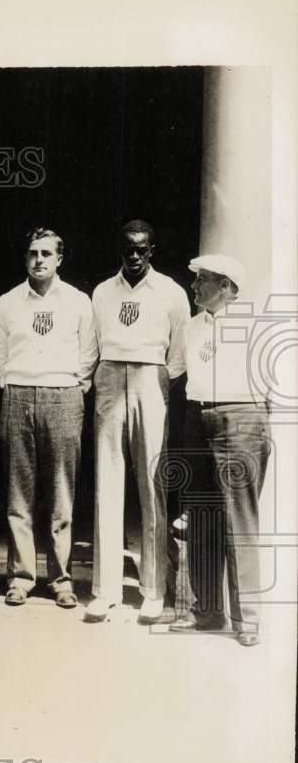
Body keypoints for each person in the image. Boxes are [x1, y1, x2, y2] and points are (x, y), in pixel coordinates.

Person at [85, 220, 191, 623]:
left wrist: (158, 381)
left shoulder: (171, 292)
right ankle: (107, 589)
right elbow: (92, 344)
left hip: (152, 375)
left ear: (152, 250)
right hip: (111, 374)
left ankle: (153, 589)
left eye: (141, 250)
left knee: (152, 483)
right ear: (120, 249)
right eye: (127, 249)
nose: (133, 256)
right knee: (107, 484)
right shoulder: (101, 292)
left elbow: (178, 354)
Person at [168, 254, 271, 647]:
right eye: (195, 280)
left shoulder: (254, 323)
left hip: (241, 420)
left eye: (204, 280)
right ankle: (207, 611)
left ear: (227, 286)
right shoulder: (191, 328)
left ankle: (248, 619)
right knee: (202, 516)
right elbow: (176, 372)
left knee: (238, 522)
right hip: (199, 418)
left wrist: (251, 422)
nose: (194, 287)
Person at [0, 227, 98, 609]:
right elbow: (1, 354)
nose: (39, 260)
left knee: (60, 494)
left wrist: (72, 387)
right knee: (18, 495)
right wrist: (17, 384)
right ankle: (20, 577)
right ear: (26, 258)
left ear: (59, 259)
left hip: (63, 396)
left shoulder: (78, 301)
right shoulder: (7, 302)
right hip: (18, 393)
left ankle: (61, 579)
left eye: (46, 254)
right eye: (33, 253)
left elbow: (88, 354)